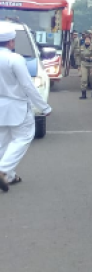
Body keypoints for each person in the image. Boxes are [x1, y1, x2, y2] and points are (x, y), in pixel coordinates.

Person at [0, 22, 52, 190]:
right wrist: (44, 107)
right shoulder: (15, 59)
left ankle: (9, 176)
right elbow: (28, 86)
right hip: (17, 105)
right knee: (23, 137)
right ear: (11, 42)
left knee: (3, 141)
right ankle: (3, 169)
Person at [77, 33, 92, 100]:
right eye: (86, 40)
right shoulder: (81, 47)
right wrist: (78, 65)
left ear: (90, 40)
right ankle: (83, 94)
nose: (87, 41)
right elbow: (78, 56)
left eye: (88, 40)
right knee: (84, 79)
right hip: (84, 63)